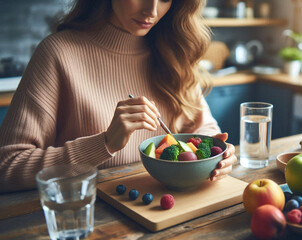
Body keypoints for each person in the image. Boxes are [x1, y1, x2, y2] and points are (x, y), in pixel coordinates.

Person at [0, 0, 237, 192]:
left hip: (171, 214)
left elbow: (205, 128)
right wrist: (103, 143)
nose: (151, 11)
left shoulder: (174, 53)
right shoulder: (56, 54)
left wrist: (218, 155)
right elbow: (7, 166)